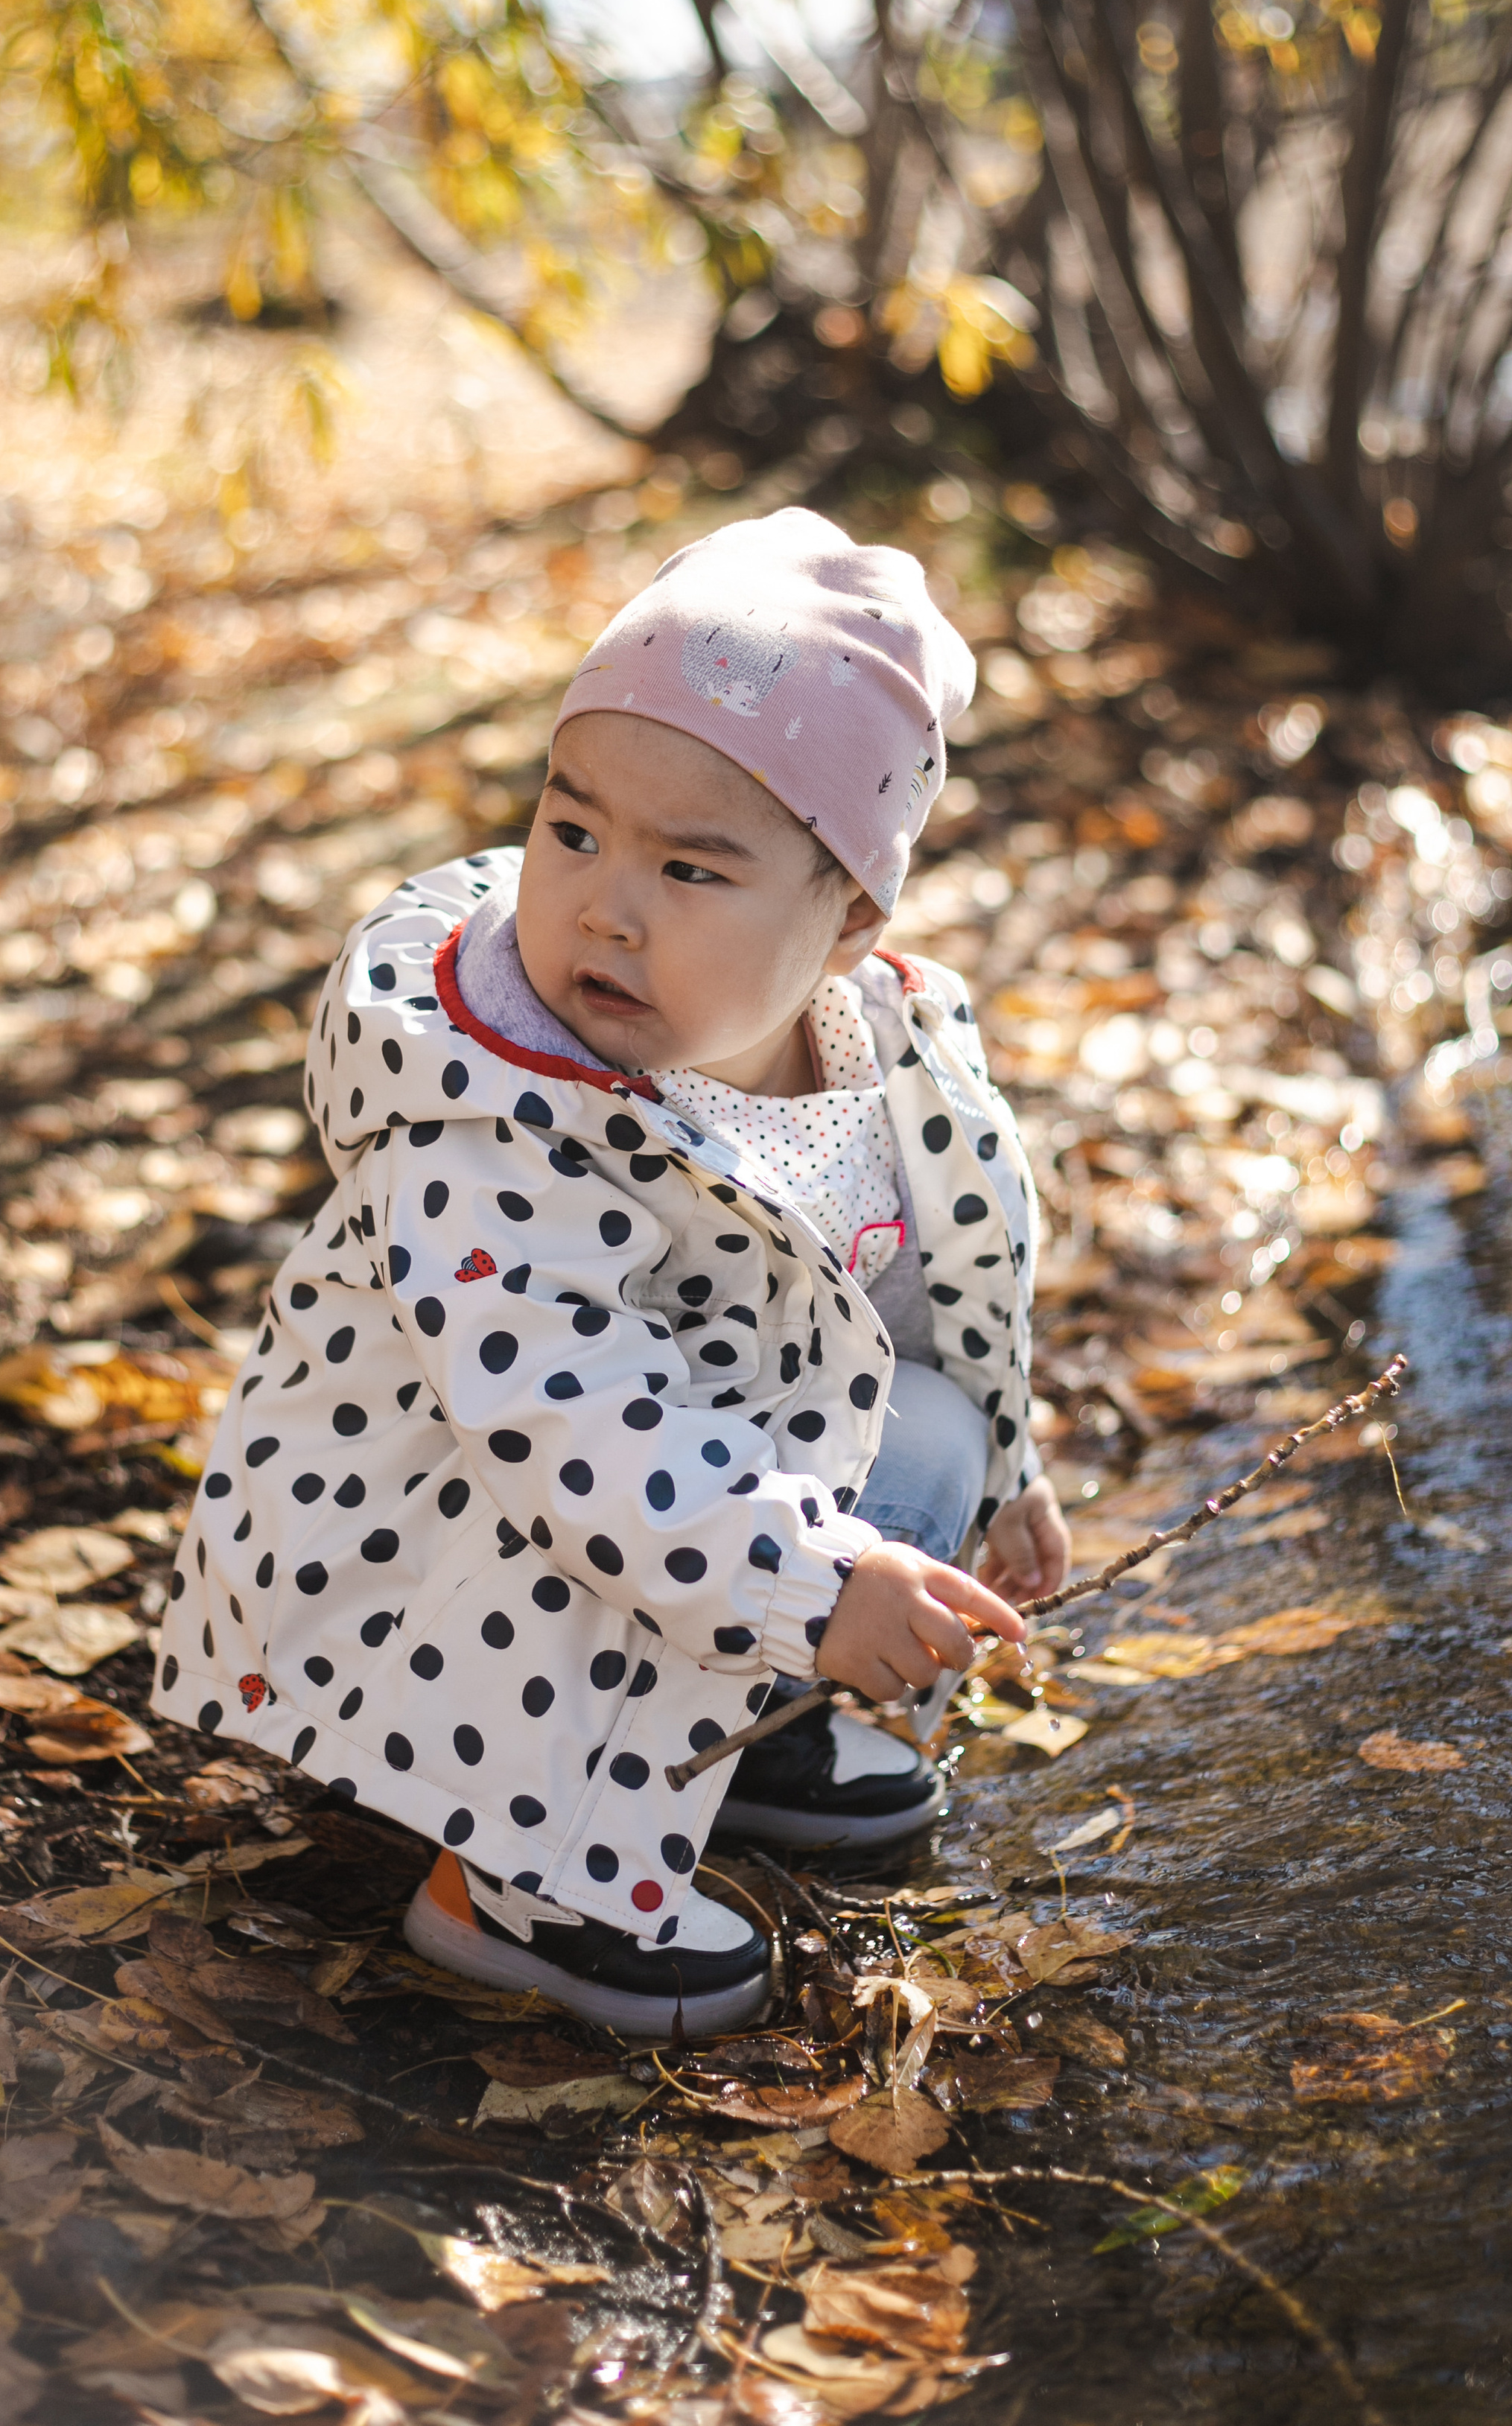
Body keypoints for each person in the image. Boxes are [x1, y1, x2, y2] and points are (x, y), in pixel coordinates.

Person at [153, 510, 1070, 2036]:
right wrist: (811, 1579)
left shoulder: (876, 1059)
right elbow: (573, 1429)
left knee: (922, 1430)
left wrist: (1004, 1474)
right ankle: (520, 1887)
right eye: (571, 831)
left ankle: (739, 1738)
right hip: (457, 1553)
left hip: (689, 1512)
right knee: (639, 1501)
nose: (603, 906)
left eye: (691, 869)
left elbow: (936, 1298)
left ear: (846, 916)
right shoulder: (489, 1106)